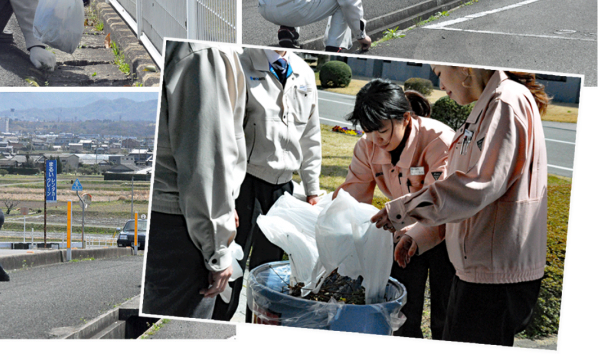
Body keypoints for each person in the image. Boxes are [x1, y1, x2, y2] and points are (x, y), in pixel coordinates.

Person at [372, 67, 550, 347]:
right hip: (479, 270)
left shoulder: (505, 102)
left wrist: (404, 208)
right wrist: (420, 233)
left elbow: (478, 187)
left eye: (440, 72)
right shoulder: (489, 104)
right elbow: (461, 194)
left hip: (493, 276)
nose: (440, 84)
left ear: (465, 69)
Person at [331, 79, 455, 339]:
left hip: (446, 229)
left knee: (446, 315)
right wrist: (331, 220)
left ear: (406, 119)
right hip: (402, 229)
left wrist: (411, 232)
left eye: (382, 130)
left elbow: (440, 200)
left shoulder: (439, 140)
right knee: (402, 312)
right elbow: (354, 193)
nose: (376, 140)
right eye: (368, 130)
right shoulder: (367, 145)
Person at [211, 47, 322, 322]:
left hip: (282, 188)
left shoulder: (304, 73)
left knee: (268, 273)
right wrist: (225, 192)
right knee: (232, 264)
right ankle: (217, 325)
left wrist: (312, 189)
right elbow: (224, 132)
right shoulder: (242, 63)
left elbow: (311, 135)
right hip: (244, 183)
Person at [142, 40, 247, 319]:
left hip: (170, 215)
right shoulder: (202, 53)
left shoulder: (189, 45)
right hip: (185, 226)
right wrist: (217, 251)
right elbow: (205, 161)